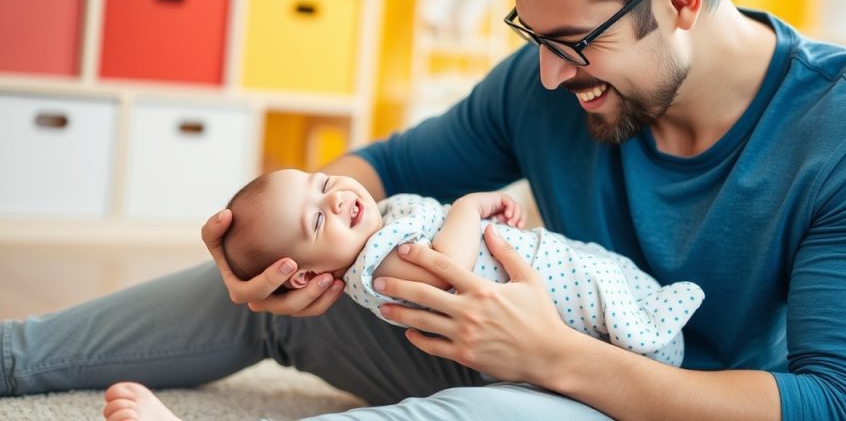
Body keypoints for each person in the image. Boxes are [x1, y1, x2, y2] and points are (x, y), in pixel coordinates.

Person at [1, 0, 846, 420]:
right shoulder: (549, 84)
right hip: (494, 338)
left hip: (662, 401)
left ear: (681, 1)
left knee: (482, 415)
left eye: (572, 43)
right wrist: (292, 251)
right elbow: (381, 170)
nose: (546, 76)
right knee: (286, 294)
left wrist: (556, 358)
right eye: (532, 38)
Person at [219, 168, 702, 367]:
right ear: (301, 275)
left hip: (542, 288)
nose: (338, 196)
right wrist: (469, 209)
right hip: (548, 305)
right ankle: (643, 326)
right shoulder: (375, 260)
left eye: (322, 181)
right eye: (320, 217)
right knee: (601, 292)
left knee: (605, 273)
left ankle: (643, 317)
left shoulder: (375, 228)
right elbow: (447, 270)